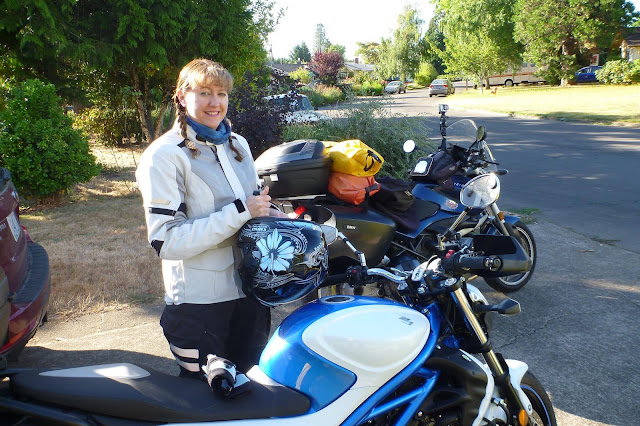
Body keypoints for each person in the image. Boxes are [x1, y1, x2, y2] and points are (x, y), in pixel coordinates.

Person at [136, 58, 279, 380]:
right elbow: (166, 241)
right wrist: (241, 211)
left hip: (251, 294)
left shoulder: (237, 144)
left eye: (221, 93)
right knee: (204, 396)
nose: (215, 102)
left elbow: (253, 207)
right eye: (204, 93)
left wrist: (272, 214)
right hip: (200, 306)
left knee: (251, 388)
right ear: (181, 97)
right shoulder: (164, 155)